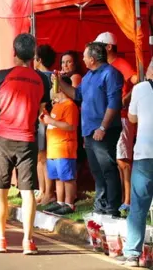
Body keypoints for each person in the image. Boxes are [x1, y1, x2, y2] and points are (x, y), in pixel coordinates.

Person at [0, 33, 50, 255]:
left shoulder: (2, 75)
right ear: (33, 55)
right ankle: (28, 242)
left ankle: (1, 239)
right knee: (28, 192)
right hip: (28, 140)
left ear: (14, 53)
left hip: (3, 139)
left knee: (1, 192)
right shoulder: (43, 80)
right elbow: (43, 108)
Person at [57, 41, 123, 217]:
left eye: (85, 56)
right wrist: (59, 82)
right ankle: (100, 205)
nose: (83, 60)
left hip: (105, 129)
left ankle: (112, 207)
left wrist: (103, 127)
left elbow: (114, 103)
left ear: (93, 59)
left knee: (107, 167)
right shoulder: (87, 77)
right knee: (97, 170)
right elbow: (76, 95)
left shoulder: (111, 74)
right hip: (89, 131)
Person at [96, 31, 139, 216]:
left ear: (108, 47)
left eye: (99, 46)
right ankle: (121, 198)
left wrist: (126, 99)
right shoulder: (104, 67)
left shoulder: (121, 64)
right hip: (108, 118)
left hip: (122, 116)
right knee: (113, 159)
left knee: (123, 160)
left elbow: (138, 81)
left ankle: (128, 200)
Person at [116, 59, 153, 266]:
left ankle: (132, 254)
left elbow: (131, 118)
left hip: (145, 154)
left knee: (139, 205)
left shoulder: (140, 89)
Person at [42, 76, 80, 215]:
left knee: (67, 177)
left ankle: (69, 203)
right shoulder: (57, 105)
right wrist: (45, 118)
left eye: (55, 84)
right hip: (53, 148)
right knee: (58, 177)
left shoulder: (70, 105)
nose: (53, 88)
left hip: (64, 148)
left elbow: (70, 126)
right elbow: (52, 123)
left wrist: (51, 120)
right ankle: (60, 201)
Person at [33, 44, 57, 205]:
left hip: (45, 120)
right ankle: (42, 191)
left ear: (39, 60)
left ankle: (49, 192)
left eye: (34, 58)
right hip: (38, 120)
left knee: (44, 157)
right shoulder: (39, 76)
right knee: (39, 157)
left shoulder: (48, 77)